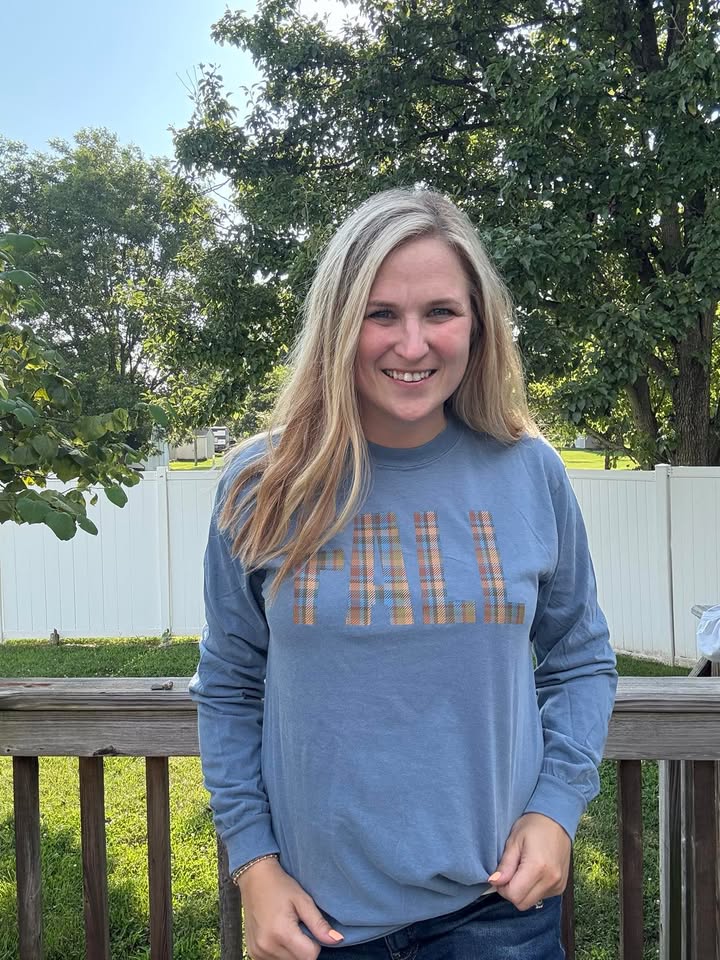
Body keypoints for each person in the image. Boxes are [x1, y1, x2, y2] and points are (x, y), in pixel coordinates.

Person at [189, 187, 618, 960]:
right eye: (380, 313)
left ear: (478, 323)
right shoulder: (263, 484)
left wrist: (556, 807)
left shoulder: (530, 473)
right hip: (318, 925)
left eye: (440, 312)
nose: (412, 344)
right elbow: (229, 684)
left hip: (496, 913)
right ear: (338, 322)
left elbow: (580, 658)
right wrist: (253, 863)